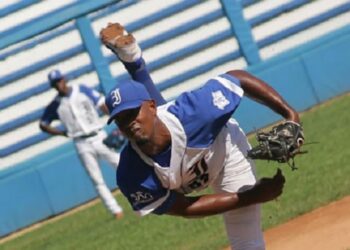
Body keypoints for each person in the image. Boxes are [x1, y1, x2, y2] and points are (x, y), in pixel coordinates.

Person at [100, 23, 301, 249]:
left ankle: (134, 62)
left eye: (133, 113)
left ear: (150, 107)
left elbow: (237, 78)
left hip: (224, 150)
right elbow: (184, 207)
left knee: (247, 241)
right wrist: (250, 196)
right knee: (162, 130)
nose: (130, 122)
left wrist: (291, 115)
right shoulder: (131, 174)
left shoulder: (199, 110)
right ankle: (133, 61)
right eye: (122, 119)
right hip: (179, 149)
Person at [39, 69, 124, 219]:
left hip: (98, 135)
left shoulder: (82, 90)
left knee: (121, 164)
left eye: (59, 80)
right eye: (55, 83)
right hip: (81, 142)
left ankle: (146, 191)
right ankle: (115, 210)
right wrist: (62, 133)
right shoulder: (55, 105)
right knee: (96, 179)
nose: (58, 85)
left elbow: (101, 103)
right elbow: (43, 124)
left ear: (64, 79)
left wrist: (116, 120)